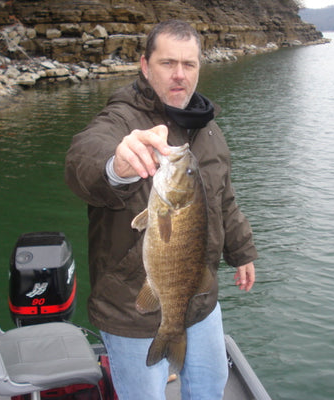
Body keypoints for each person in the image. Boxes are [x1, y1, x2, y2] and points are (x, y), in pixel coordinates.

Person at [65, 20, 257, 400]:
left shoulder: (208, 128)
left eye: (189, 64)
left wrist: (242, 251)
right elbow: (81, 158)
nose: (180, 75)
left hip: (199, 298)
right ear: (144, 65)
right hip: (130, 307)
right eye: (168, 63)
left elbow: (224, 198)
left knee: (209, 386)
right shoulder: (122, 119)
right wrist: (115, 165)